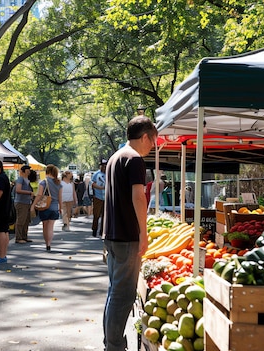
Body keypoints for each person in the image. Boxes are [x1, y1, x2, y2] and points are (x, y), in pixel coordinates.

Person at [102, 116, 157, 351]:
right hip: (126, 237)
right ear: (144, 137)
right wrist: (143, 233)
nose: (153, 146)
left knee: (114, 292)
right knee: (123, 296)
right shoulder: (134, 160)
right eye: (153, 141)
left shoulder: (115, 157)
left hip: (113, 235)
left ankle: (111, 342)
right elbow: (138, 196)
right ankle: (114, 346)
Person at [30, 164, 62, 252]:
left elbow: (39, 194)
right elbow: (60, 197)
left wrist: (33, 205)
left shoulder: (43, 182)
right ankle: (49, 243)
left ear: (47, 172)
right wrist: (61, 208)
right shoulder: (58, 183)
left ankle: (46, 243)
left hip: (44, 206)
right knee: (51, 227)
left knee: (45, 226)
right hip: (55, 207)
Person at [14, 165, 34, 243]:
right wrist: (29, 192)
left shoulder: (27, 180)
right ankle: (18, 238)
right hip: (21, 202)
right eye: (27, 169)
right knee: (21, 220)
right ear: (23, 171)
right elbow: (18, 190)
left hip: (27, 202)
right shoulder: (20, 179)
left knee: (26, 220)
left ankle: (24, 236)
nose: (29, 171)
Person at [91, 159, 107, 237]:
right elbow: (92, 183)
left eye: (105, 165)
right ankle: (94, 230)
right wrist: (100, 188)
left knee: (105, 215)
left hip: (107, 197)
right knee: (96, 215)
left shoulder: (109, 173)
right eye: (103, 166)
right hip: (98, 197)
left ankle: (102, 231)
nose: (104, 167)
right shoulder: (96, 174)